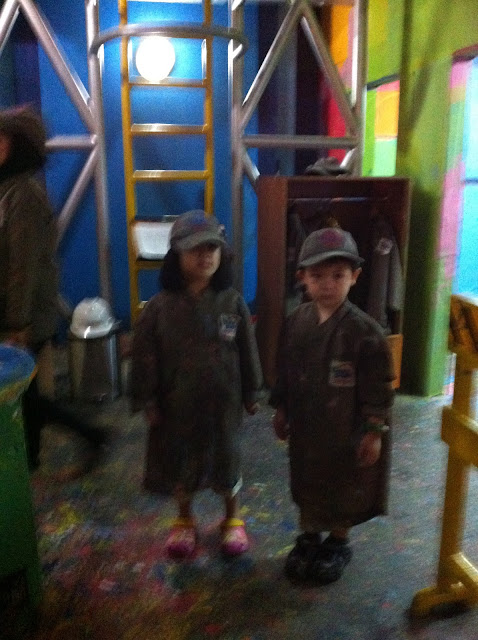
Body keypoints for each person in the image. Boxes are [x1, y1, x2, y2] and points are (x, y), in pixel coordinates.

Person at [131, 210, 263, 558]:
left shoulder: (232, 302)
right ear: (176, 255)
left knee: (227, 461)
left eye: (212, 248)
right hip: (178, 404)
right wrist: (148, 400)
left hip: (224, 402)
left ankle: (232, 519)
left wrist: (251, 391)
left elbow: (247, 349)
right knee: (181, 463)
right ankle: (184, 520)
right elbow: (145, 357)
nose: (205, 256)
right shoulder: (159, 308)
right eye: (195, 249)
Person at [270, 226, 395, 584]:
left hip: (347, 430)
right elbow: (285, 370)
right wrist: (281, 408)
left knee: (344, 483)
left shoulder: (365, 332)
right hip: (307, 428)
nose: (327, 284)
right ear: (302, 278)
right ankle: (310, 535)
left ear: (355, 276)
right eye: (317, 275)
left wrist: (374, 430)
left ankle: (338, 541)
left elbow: (379, 387)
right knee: (308, 478)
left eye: (338, 275)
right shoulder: (296, 323)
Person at [0, 105, 108, 472]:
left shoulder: (23, 195)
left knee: (23, 392)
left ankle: (76, 440)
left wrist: (17, 322)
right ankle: (51, 450)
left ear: (15, 146)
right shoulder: (9, 191)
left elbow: (22, 266)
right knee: (24, 392)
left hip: (24, 315)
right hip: (17, 312)